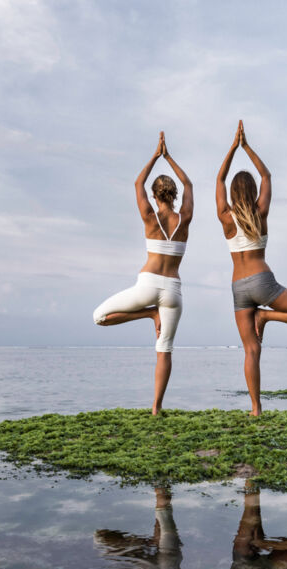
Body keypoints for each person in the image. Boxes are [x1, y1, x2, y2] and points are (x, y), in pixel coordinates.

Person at [216, 121, 287, 415]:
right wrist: (246, 146)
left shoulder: (225, 217)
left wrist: (232, 147)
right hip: (262, 282)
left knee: (251, 351)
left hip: (238, 288)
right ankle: (266, 317)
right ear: (251, 191)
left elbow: (220, 179)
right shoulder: (260, 213)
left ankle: (255, 409)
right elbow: (266, 174)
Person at [94, 132, 193, 414]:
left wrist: (155, 155)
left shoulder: (150, 217)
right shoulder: (184, 218)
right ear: (174, 195)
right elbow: (189, 183)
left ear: (154, 195)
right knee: (164, 350)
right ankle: (156, 408)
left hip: (147, 286)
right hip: (173, 290)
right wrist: (169, 157)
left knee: (98, 317)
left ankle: (148, 314)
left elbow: (138, 182)